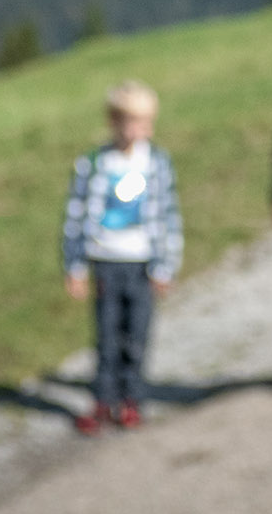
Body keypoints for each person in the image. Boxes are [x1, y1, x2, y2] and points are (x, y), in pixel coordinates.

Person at [61, 80, 183, 434]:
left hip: (142, 263)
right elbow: (75, 216)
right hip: (105, 260)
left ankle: (132, 400)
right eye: (129, 121)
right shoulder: (95, 163)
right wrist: (75, 265)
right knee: (107, 335)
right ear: (113, 121)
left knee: (137, 335)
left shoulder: (157, 164)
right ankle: (103, 400)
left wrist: (166, 265)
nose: (136, 130)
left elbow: (169, 217)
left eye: (143, 121)